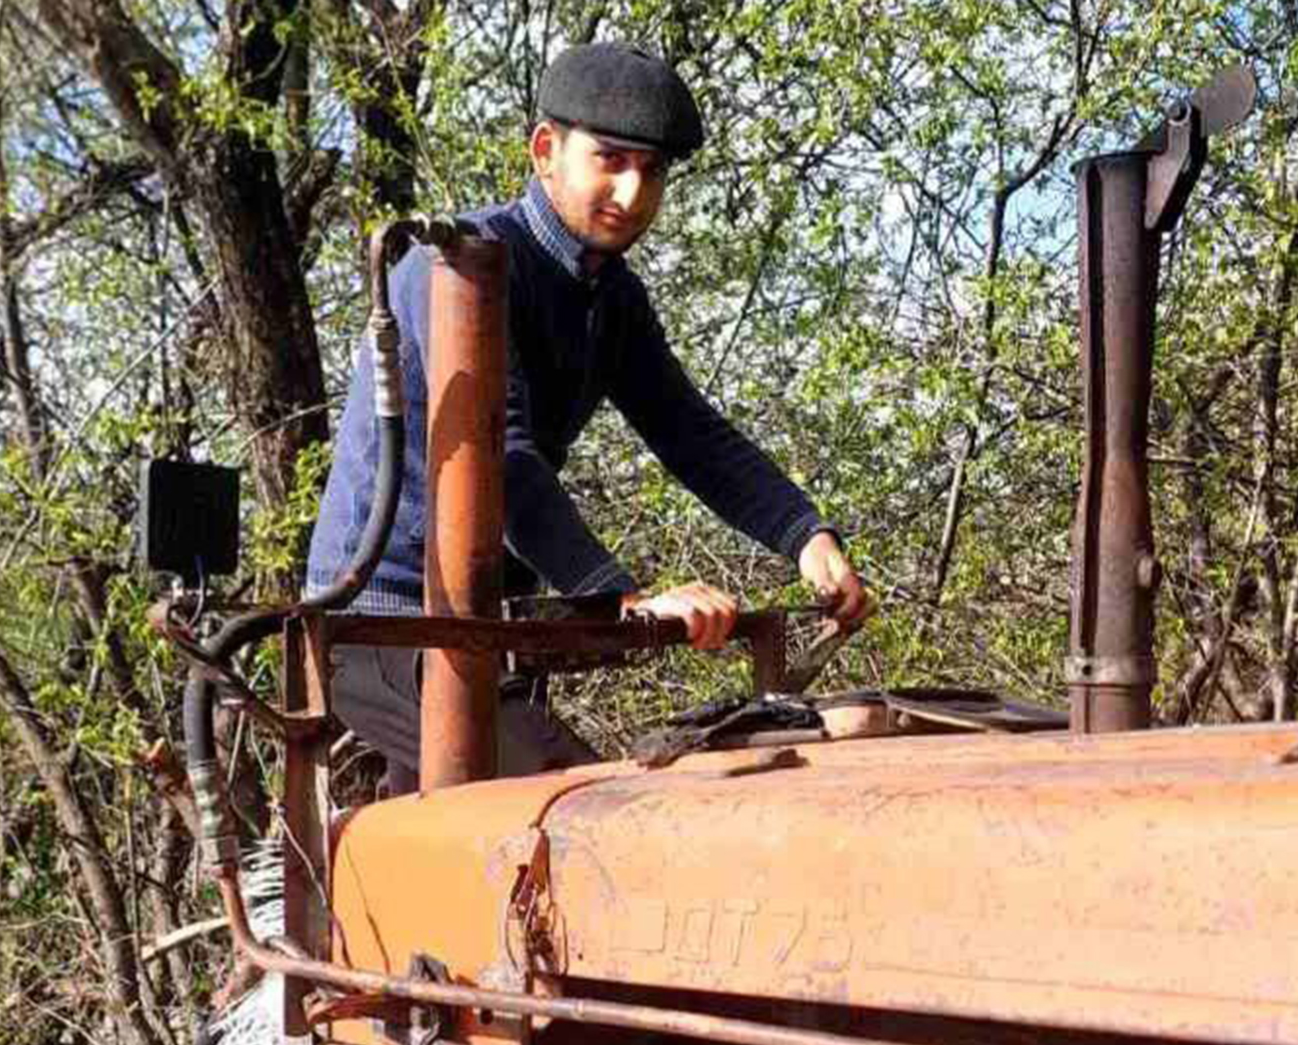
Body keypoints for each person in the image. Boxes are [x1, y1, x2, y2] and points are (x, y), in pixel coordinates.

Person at [305, 42, 873, 783]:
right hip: (382, 624)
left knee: (464, 839)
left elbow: (691, 433)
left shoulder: (611, 298)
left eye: (653, 170)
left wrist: (804, 534)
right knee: (579, 801)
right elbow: (502, 462)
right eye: (610, 160)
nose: (632, 193)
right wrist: (620, 598)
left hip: (481, 630)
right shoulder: (457, 269)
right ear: (546, 151)